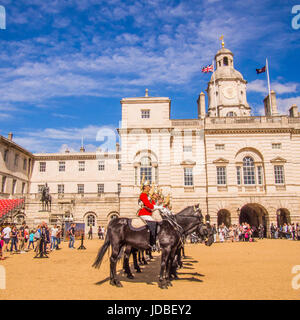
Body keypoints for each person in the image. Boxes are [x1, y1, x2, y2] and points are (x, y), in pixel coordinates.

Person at [138, 180, 163, 250]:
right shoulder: (143, 195)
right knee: (153, 222)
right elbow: (149, 205)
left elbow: (151, 205)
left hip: (148, 213)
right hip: (143, 213)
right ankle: (152, 243)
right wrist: (159, 207)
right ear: (145, 187)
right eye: (149, 186)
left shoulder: (147, 195)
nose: (150, 188)